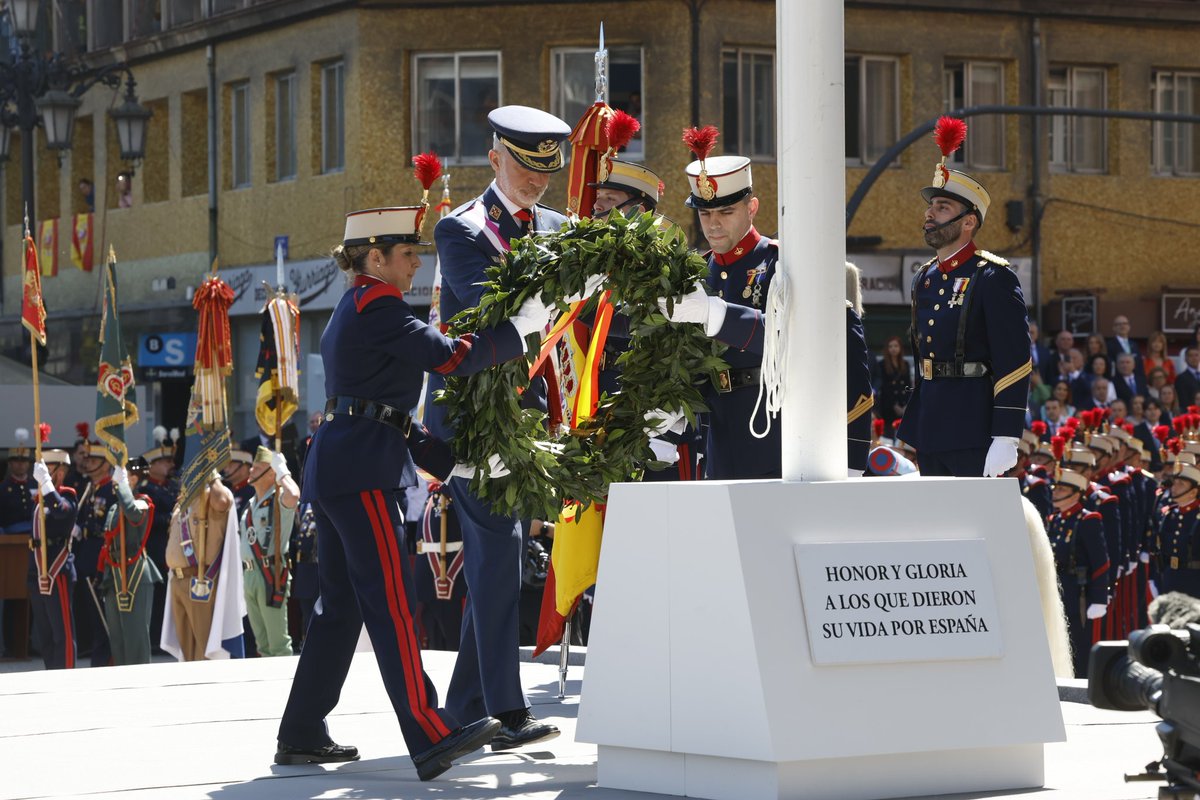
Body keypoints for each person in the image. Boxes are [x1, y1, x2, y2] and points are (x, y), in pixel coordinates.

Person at [277, 192, 553, 779]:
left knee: (340, 609)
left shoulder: (357, 306)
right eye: (406, 254)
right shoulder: (379, 307)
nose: (415, 265)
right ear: (373, 258)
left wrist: (449, 463)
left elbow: (381, 408)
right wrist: (519, 331)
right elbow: (449, 357)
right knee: (393, 607)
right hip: (364, 474)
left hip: (343, 463)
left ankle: (301, 729)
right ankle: (430, 734)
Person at [421, 106, 570, 751]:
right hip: (473, 420)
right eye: (524, 167)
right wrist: (557, 298)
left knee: (500, 562)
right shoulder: (462, 229)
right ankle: (507, 712)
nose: (537, 182)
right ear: (495, 158)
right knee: (497, 563)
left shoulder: (561, 228)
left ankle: (462, 708)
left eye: (545, 170)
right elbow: (487, 312)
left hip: (527, 417)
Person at [655, 131, 873, 475]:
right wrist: (671, 414)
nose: (713, 224)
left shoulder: (784, 264)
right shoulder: (697, 273)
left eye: (726, 212)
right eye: (705, 213)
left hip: (783, 434)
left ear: (751, 207)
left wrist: (852, 456)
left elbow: (813, 344)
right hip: (721, 438)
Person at [895, 122, 1030, 477]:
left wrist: (1006, 435)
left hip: (974, 426)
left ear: (968, 221)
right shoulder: (924, 278)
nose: (929, 214)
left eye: (941, 207)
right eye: (931, 207)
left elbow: (1014, 360)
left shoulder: (993, 277)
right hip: (931, 424)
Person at [163, 471, 239, 661]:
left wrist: (211, 471)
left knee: (205, 649)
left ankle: (208, 687)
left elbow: (223, 501)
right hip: (178, 580)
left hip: (199, 582)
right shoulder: (183, 503)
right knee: (187, 651)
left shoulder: (208, 498)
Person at [1045, 464, 1109, 677]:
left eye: (1061, 489)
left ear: (1076, 494)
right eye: (1055, 488)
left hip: (1078, 593)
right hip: (1058, 588)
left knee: (1079, 646)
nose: (1055, 492)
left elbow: (1100, 561)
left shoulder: (1088, 519)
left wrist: (1099, 598)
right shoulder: (1055, 519)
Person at [97, 457, 162, 665]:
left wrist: (123, 488)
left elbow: (134, 515)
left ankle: (139, 682)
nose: (120, 482)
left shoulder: (143, 501)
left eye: (128, 477)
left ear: (137, 479)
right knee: (117, 637)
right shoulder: (116, 507)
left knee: (135, 637)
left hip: (134, 570)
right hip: (115, 570)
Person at [241, 446, 299, 658]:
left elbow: (294, 495)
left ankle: (286, 687)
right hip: (249, 575)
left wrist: (282, 470)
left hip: (270, 574)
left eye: (258, 468)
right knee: (262, 645)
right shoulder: (250, 504)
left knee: (278, 644)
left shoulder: (279, 499)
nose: (251, 471)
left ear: (271, 472)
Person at [28, 450, 78, 669]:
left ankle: (66, 677)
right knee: (45, 634)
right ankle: (51, 676)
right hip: (37, 570)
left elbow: (61, 511)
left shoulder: (68, 495)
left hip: (58, 569)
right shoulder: (38, 497)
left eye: (50, 470)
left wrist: (47, 484)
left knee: (62, 633)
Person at [73, 442, 115, 667]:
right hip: (87, 559)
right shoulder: (92, 488)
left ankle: (105, 661)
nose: (87, 463)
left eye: (93, 459)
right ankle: (100, 659)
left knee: (103, 619)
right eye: (87, 459)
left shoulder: (110, 489)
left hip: (100, 560)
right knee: (94, 617)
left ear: (105, 463)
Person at [139, 429, 179, 655]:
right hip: (155, 548)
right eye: (163, 462)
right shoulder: (146, 489)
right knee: (158, 596)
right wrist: (171, 518)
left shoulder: (172, 486)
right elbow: (150, 519)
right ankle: (156, 640)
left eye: (169, 461)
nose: (167, 465)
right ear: (152, 465)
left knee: (170, 596)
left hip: (171, 547)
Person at [1151, 452, 1200, 600]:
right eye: (1175, 482)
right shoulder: (1169, 515)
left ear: (1193, 492)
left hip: (1195, 584)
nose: (1175, 487)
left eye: (1181, 484)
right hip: (1170, 580)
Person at [0, 429, 37, 535]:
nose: (20, 464)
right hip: (10, 532)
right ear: (10, 464)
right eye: (16, 461)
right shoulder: (3, 488)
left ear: (29, 464)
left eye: (24, 461)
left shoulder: (35, 485)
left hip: (34, 531)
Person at [875, 336, 911, 432]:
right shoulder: (882, 365)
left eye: (896, 346)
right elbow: (885, 387)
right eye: (890, 346)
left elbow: (908, 385)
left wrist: (906, 405)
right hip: (889, 406)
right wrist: (895, 406)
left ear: (900, 348)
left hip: (904, 404)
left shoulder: (905, 364)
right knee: (889, 435)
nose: (893, 349)